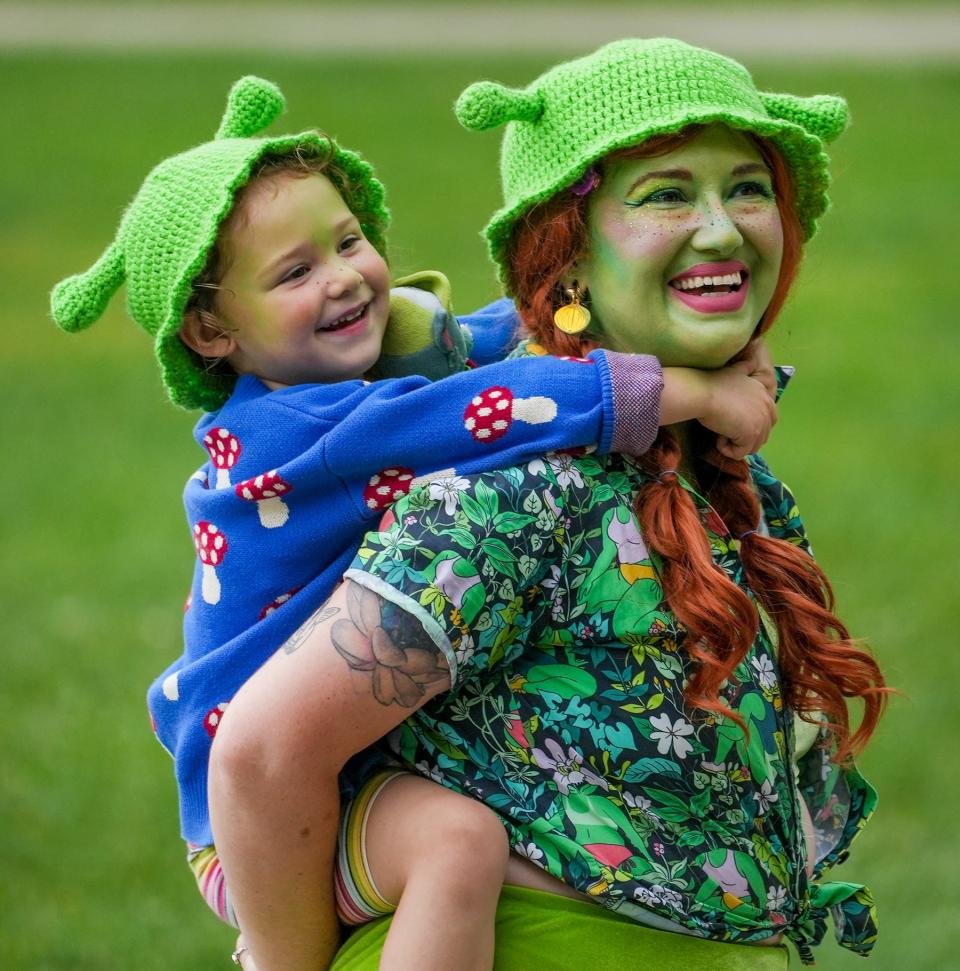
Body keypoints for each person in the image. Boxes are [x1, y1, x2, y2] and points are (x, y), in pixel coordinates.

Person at [50, 73, 779, 971]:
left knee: (450, 833)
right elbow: (494, 403)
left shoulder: (329, 375)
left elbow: (486, 343)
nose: (346, 277)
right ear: (210, 330)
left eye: (349, 240)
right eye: (294, 271)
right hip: (260, 827)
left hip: (337, 780)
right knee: (455, 841)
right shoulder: (301, 429)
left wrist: (597, 294)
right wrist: (687, 389)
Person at [211, 38, 891, 971]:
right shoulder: (520, 490)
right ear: (564, 253)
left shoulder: (713, 462)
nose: (725, 228)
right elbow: (260, 754)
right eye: (665, 193)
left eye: (746, 186)